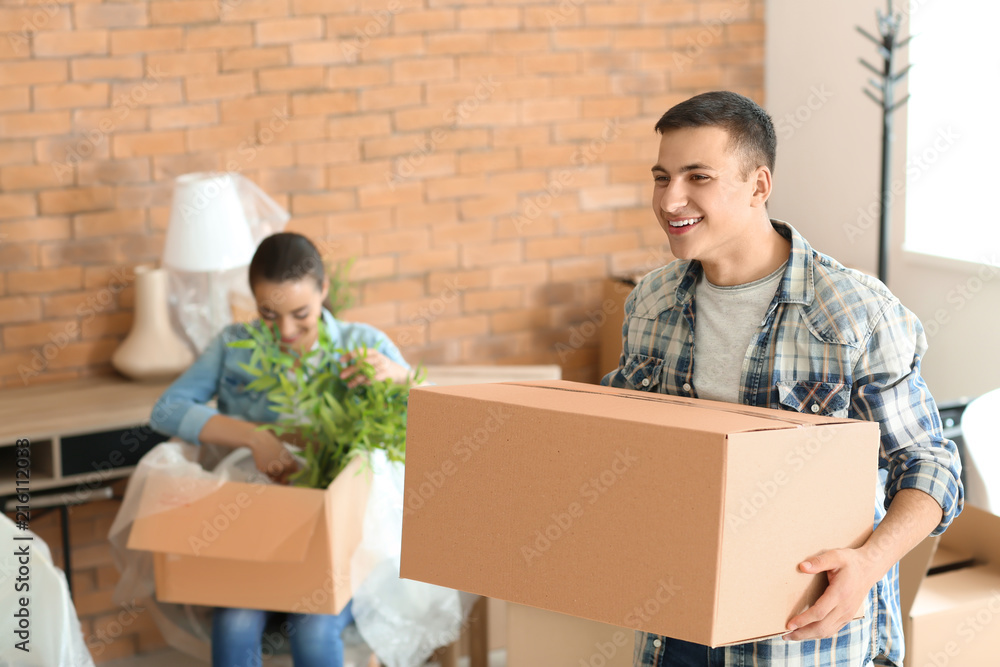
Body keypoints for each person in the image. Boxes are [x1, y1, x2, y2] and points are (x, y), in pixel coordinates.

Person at [602, 91, 963, 666]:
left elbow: (930, 465)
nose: (670, 200)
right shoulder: (650, 302)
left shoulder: (854, 313)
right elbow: (624, 439)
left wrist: (869, 564)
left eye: (698, 177)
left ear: (759, 186)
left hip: (801, 636)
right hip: (676, 621)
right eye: (662, 177)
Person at [149, 231, 413, 667]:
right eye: (269, 315)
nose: (285, 331)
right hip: (256, 530)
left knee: (313, 629)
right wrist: (255, 437)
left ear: (324, 289)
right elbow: (166, 410)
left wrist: (401, 378)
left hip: (340, 541)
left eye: (301, 314)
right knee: (234, 625)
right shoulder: (234, 346)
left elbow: (435, 415)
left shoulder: (362, 345)